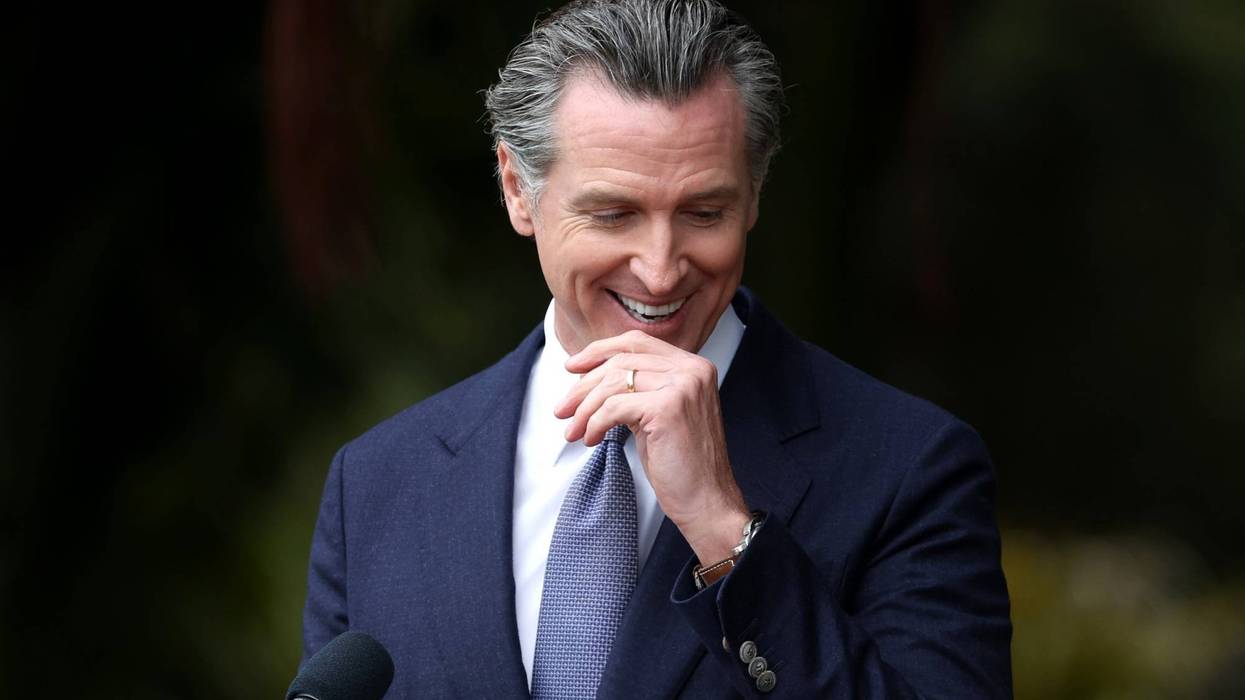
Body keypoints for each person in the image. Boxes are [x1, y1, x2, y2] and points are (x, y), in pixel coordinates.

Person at [298, 1, 1013, 697]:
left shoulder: (908, 468)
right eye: (613, 214)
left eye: (704, 213)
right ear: (518, 189)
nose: (661, 267)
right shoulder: (377, 485)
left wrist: (723, 529)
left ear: (754, 192)